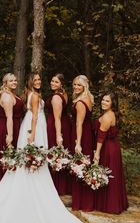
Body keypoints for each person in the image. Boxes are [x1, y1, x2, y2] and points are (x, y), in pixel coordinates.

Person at [0, 72, 92, 223]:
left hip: (33, 125)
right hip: (34, 126)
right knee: (33, 156)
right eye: (37, 80)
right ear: (32, 82)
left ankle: (33, 174)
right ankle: (32, 180)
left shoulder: (29, 94)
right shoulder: (35, 95)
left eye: (41, 79)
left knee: (32, 158)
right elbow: (33, 116)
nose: (39, 82)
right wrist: (32, 133)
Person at [93, 91, 128, 214]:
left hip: (107, 149)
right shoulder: (112, 114)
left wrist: (96, 153)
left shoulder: (108, 116)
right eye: (103, 99)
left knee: (108, 175)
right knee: (112, 175)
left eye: (107, 100)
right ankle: (114, 203)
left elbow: (101, 137)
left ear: (113, 103)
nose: (103, 102)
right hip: (114, 147)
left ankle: (110, 205)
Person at [0, 73, 24, 188]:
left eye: (15, 80)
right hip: (8, 127)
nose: (14, 82)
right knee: (6, 152)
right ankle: (3, 182)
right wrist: (10, 135)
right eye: (11, 81)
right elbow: (9, 117)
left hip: (13, 125)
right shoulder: (7, 97)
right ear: (5, 83)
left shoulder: (11, 94)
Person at [70, 75, 95, 211]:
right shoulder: (89, 99)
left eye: (79, 85)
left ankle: (80, 202)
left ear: (84, 86)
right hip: (87, 134)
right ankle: (87, 201)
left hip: (81, 135)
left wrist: (78, 143)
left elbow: (79, 123)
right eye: (74, 84)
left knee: (80, 165)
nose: (76, 87)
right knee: (85, 165)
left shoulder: (80, 103)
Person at [46, 73, 72, 195]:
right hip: (65, 125)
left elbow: (57, 118)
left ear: (61, 84)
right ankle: (63, 187)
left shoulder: (56, 97)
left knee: (55, 154)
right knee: (61, 155)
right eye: (52, 81)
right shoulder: (64, 94)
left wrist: (58, 135)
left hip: (56, 126)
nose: (53, 83)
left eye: (56, 82)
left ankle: (56, 187)